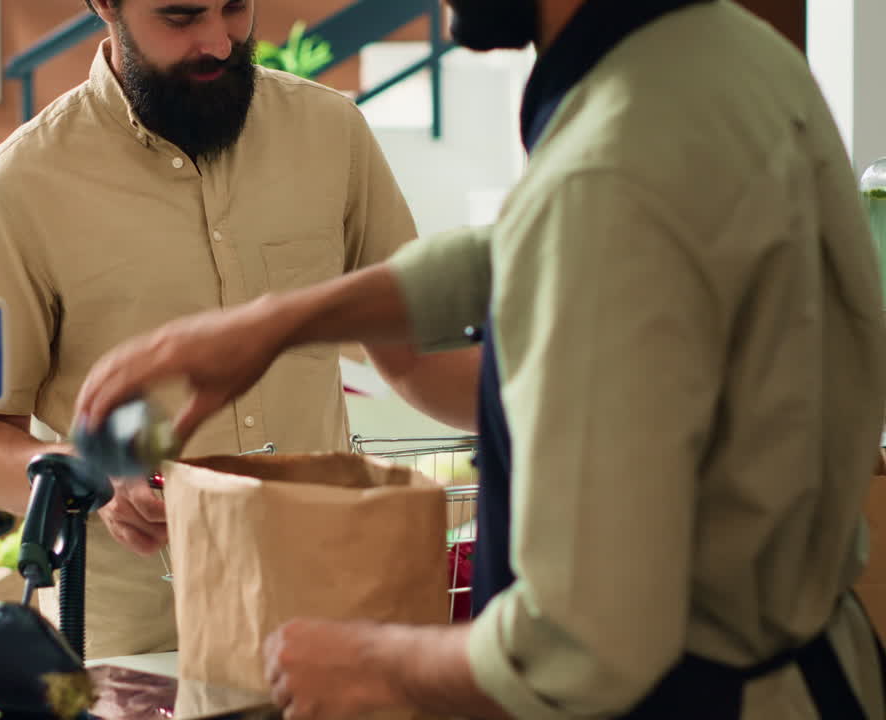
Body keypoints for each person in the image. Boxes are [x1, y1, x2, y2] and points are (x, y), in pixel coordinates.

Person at [74, 0, 886, 717]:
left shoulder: (608, 170)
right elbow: (539, 247)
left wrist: (366, 659)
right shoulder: (719, 51)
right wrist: (283, 320)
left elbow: (582, 645)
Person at [0, 0, 481, 659]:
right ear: (104, 6)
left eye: (235, 8)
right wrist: (88, 480)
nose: (220, 42)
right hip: (144, 644)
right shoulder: (17, 186)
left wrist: (555, 415)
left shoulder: (330, 131)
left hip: (326, 618)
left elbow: (416, 352)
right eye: (181, 16)